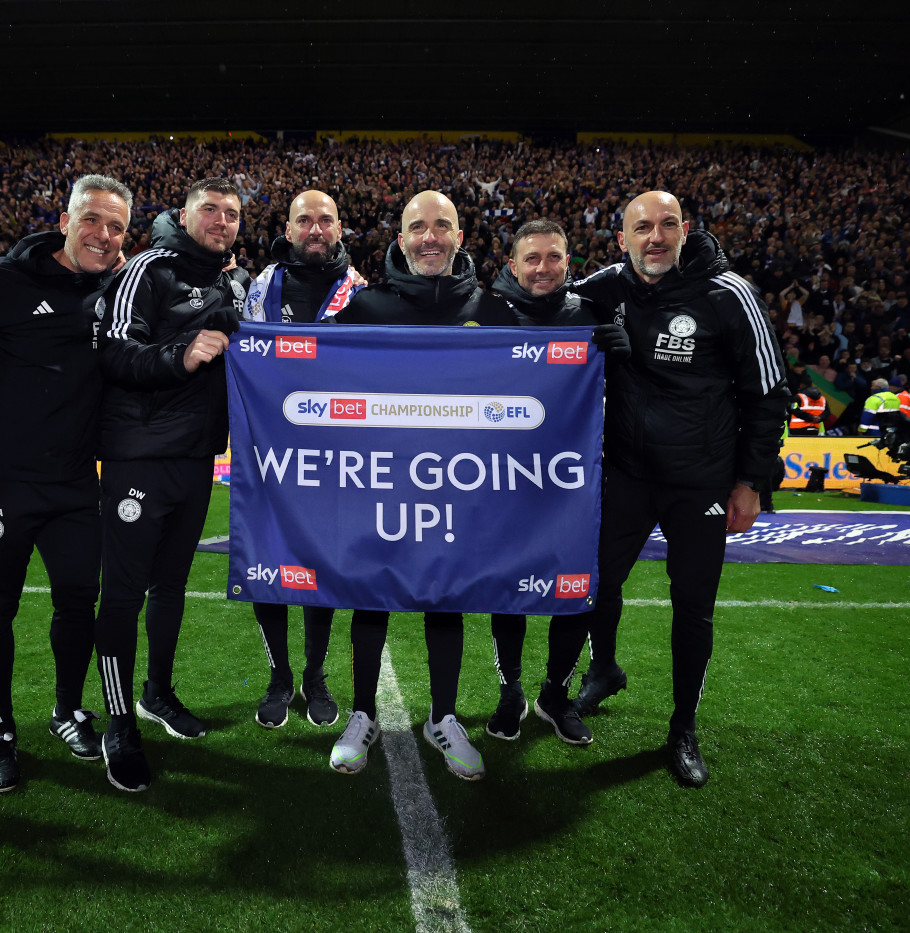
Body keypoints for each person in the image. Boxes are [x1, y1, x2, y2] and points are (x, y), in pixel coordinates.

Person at [538, 191, 789, 788]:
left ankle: (682, 726)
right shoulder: (604, 289)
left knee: (693, 609)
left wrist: (751, 482)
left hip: (700, 481)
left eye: (667, 225)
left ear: (684, 231)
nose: (655, 237)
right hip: (626, 474)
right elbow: (535, 301)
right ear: (620, 237)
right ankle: (588, 676)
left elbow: (769, 393)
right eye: (641, 227)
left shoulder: (729, 294)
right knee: (591, 585)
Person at [327, 190, 516, 782]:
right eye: (418, 227)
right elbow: (315, 374)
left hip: (457, 489)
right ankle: (362, 712)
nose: (430, 237)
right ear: (400, 237)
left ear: (460, 237)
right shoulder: (363, 308)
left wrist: (592, 355)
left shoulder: (496, 309)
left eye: (442, 226)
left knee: (446, 599)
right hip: (378, 482)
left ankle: (442, 716)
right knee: (369, 597)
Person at [0, 174, 132, 792]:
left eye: (115, 227)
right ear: (64, 219)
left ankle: (66, 710)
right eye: (91, 219)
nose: (103, 235)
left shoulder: (118, 294)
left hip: (76, 488)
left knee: (77, 606)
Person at [92, 177, 250, 792]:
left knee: (171, 588)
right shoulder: (148, 270)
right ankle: (118, 720)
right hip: (138, 457)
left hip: (193, 461)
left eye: (231, 214)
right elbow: (113, 353)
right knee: (125, 594)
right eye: (209, 210)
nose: (220, 220)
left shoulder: (231, 282)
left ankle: (158, 693)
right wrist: (180, 353)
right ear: (184, 216)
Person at [479, 219, 629, 746]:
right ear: (513, 264)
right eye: (532, 259)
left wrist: (619, 355)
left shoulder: (590, 315)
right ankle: (510, 689)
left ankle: (556, 693)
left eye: (554, 258)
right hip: (504, 479)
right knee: (507, 590)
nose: (543, 269)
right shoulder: (486, 314)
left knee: (575, 590)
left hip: (573, 485)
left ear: (569, 263)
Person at [242, 189, 365, 729]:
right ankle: (278, 676)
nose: (315, 229)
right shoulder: (262, 287)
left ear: (340, 229)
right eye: (304, 221)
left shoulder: (361, 294)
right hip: (269, 456)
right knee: (267, 566)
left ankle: (314, 676)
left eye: (325, 220)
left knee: (320, 572)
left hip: (335, 462)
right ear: (288, 229)